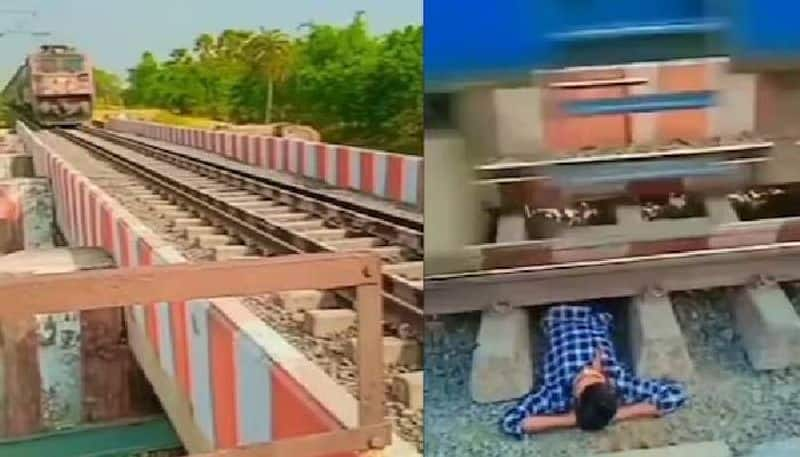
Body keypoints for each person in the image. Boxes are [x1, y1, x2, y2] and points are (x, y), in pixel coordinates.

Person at [500, 304, 688, 438]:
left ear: (574, 400)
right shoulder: (618, 382)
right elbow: (673, 395)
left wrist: (571, 420)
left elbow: (512, 422)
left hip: (558, 311)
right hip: (597, 312)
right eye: (595, 377)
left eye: (584, 380)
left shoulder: (556, 394)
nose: (588, 370)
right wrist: (613, 415)